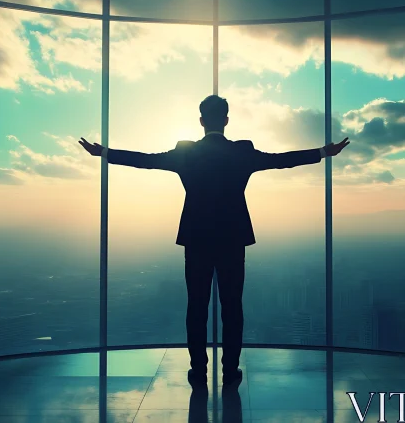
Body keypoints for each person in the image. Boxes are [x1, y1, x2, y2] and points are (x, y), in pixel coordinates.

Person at [78, 95, 350, 387]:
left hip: (197, 239)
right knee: (232, 307)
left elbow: (146, 161)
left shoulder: (187, 153)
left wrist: (104, 152)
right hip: (233, 240)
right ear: (227, 120)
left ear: (201, 121)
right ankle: (230, 371)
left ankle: (198, 371)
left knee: (196, 306)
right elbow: (281, 161)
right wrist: (323, 152)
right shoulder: (242, 152)